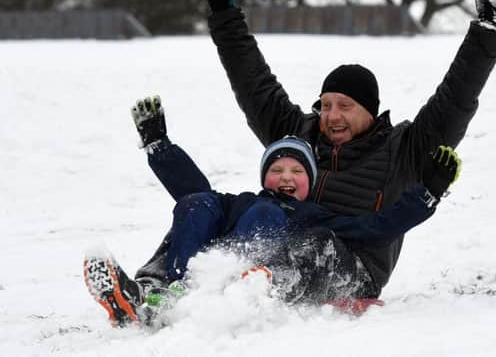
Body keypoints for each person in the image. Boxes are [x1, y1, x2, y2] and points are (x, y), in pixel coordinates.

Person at [198, 0, 496, 294]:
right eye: (326, 105)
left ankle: (254, 290)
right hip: (274, 253)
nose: (332, 116)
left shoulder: (403, 149)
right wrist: (224, 12)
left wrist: (486, 31)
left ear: (369, 112)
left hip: (353, 270)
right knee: (207, 211)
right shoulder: (297, 134)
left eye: (345, 106)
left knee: (320, 243)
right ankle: (163, 283)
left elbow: (455, 99)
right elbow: (254, 84)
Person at [83, 97, 460, 327]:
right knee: (197, 205)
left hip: (260, 280)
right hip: (197, 273)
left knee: (273, 222)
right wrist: (159, 146)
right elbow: (194, 194)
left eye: (297, 171)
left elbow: (376, 228)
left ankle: (247, 285)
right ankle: (151, 292)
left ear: (310, 183)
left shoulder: (314, 215)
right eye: (277, 170)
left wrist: (427, 194)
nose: (286, 177)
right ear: (264, 176)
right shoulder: (243, 201)